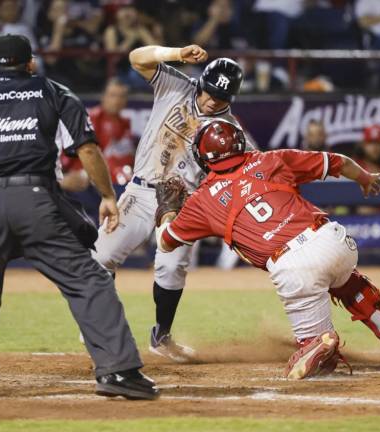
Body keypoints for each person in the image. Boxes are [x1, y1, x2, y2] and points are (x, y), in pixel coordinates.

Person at [0, 34, 158, 400]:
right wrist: (106, 195)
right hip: (36, 199)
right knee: (89, 280)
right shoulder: (53, 91)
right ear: (31, 64)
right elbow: (85, 148)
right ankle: (117, 373)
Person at [155, 119, 380, 379]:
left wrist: (167, 211)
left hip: (292, 266)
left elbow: (166, 242)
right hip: (331, 239)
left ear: (203, 157)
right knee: (348, 283)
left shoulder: (201, 199)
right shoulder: (270, 159)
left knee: (315, 353)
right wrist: (364, 178)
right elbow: (337, 161)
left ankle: (317, 342)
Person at [92, 43, 248, 363]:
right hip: (141, 191)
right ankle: (98, 326)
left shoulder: (228, 129)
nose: (208, 101)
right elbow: (136, 58)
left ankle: (162, 336)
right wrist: (176, 53)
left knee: (172, 267)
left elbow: (227, 177)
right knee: (100, 256)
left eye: (218, 99)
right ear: (201, 81)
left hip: (182, 203)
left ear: (230, 100)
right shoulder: (176, 84)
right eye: (206, 91)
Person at [60, 78, 135, 192]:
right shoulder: (91, 119)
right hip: (89, 182)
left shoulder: (125, 124)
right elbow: (67, 156)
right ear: (103, 97)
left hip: (118, 181)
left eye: (121, 96)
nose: (117, 100)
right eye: (113, 95)